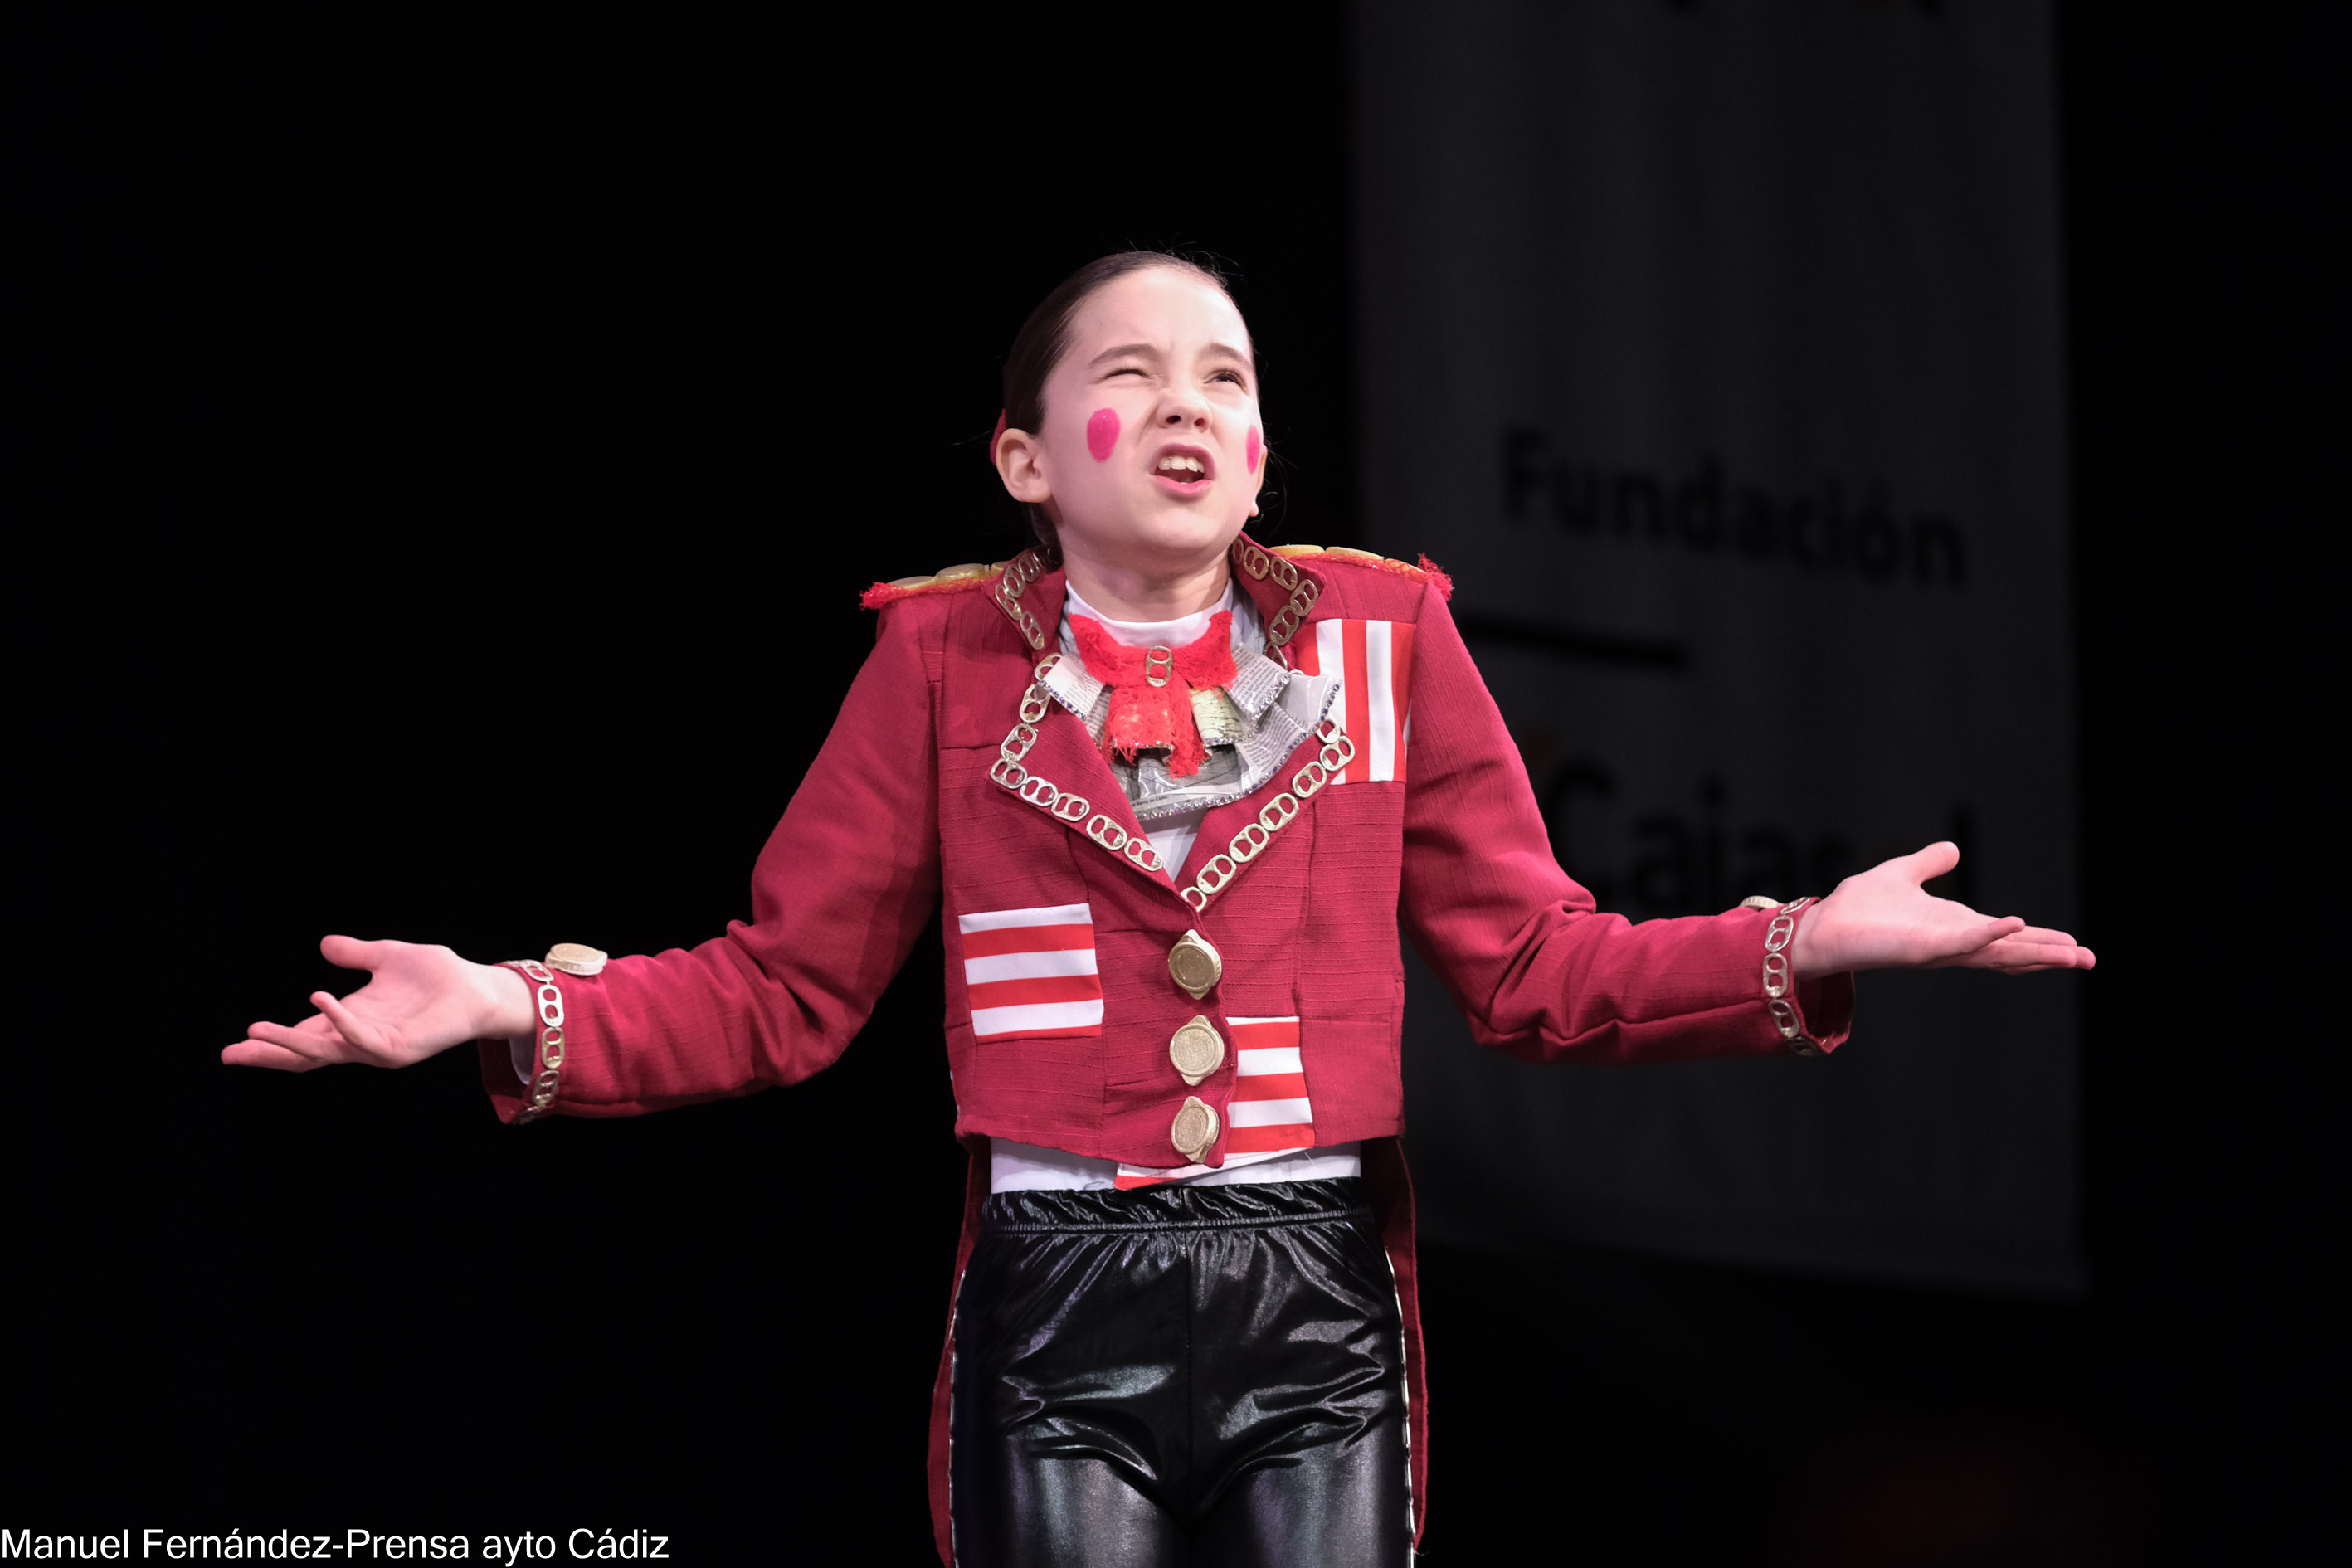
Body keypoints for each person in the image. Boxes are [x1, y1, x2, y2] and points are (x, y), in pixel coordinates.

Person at [225, 251, 2094, 1567]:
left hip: (1311, 1290)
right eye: (1130, 378)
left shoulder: (1384, 640)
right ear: (1028, 462)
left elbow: (1538, 971)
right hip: (1061, 1298)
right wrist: (506, 1008)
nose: (1187, 406)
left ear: (1263, 446)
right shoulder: (943, 661)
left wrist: (1801, 946)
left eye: (1226, 379)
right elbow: (780, 991)